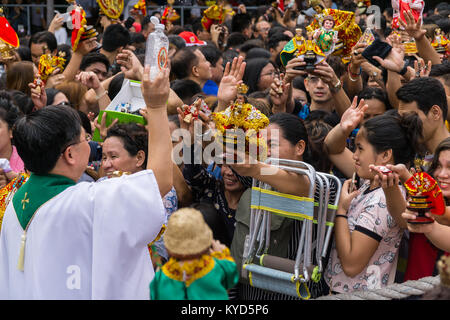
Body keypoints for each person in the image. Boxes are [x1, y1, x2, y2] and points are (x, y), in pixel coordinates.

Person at [0, 65, 173, 299]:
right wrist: (156, 106)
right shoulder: (88, 201)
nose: (92, 145)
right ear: (70, 154)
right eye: (85, 138)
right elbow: (160, 180)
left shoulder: (13, 202)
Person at [323, 109, 422, 294]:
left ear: (385, 156)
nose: (354, 155)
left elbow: (352, 265)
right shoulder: (370, 182)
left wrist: (342, 211)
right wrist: (344, 128)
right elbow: (331, 148)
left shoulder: (382, 201)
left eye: (360, 148)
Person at [150, 208, 239, 300]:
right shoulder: (217, 267)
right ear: (207, 242)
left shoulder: (161, 277)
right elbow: (230, 279)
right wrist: (223, 255)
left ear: (169, 248)